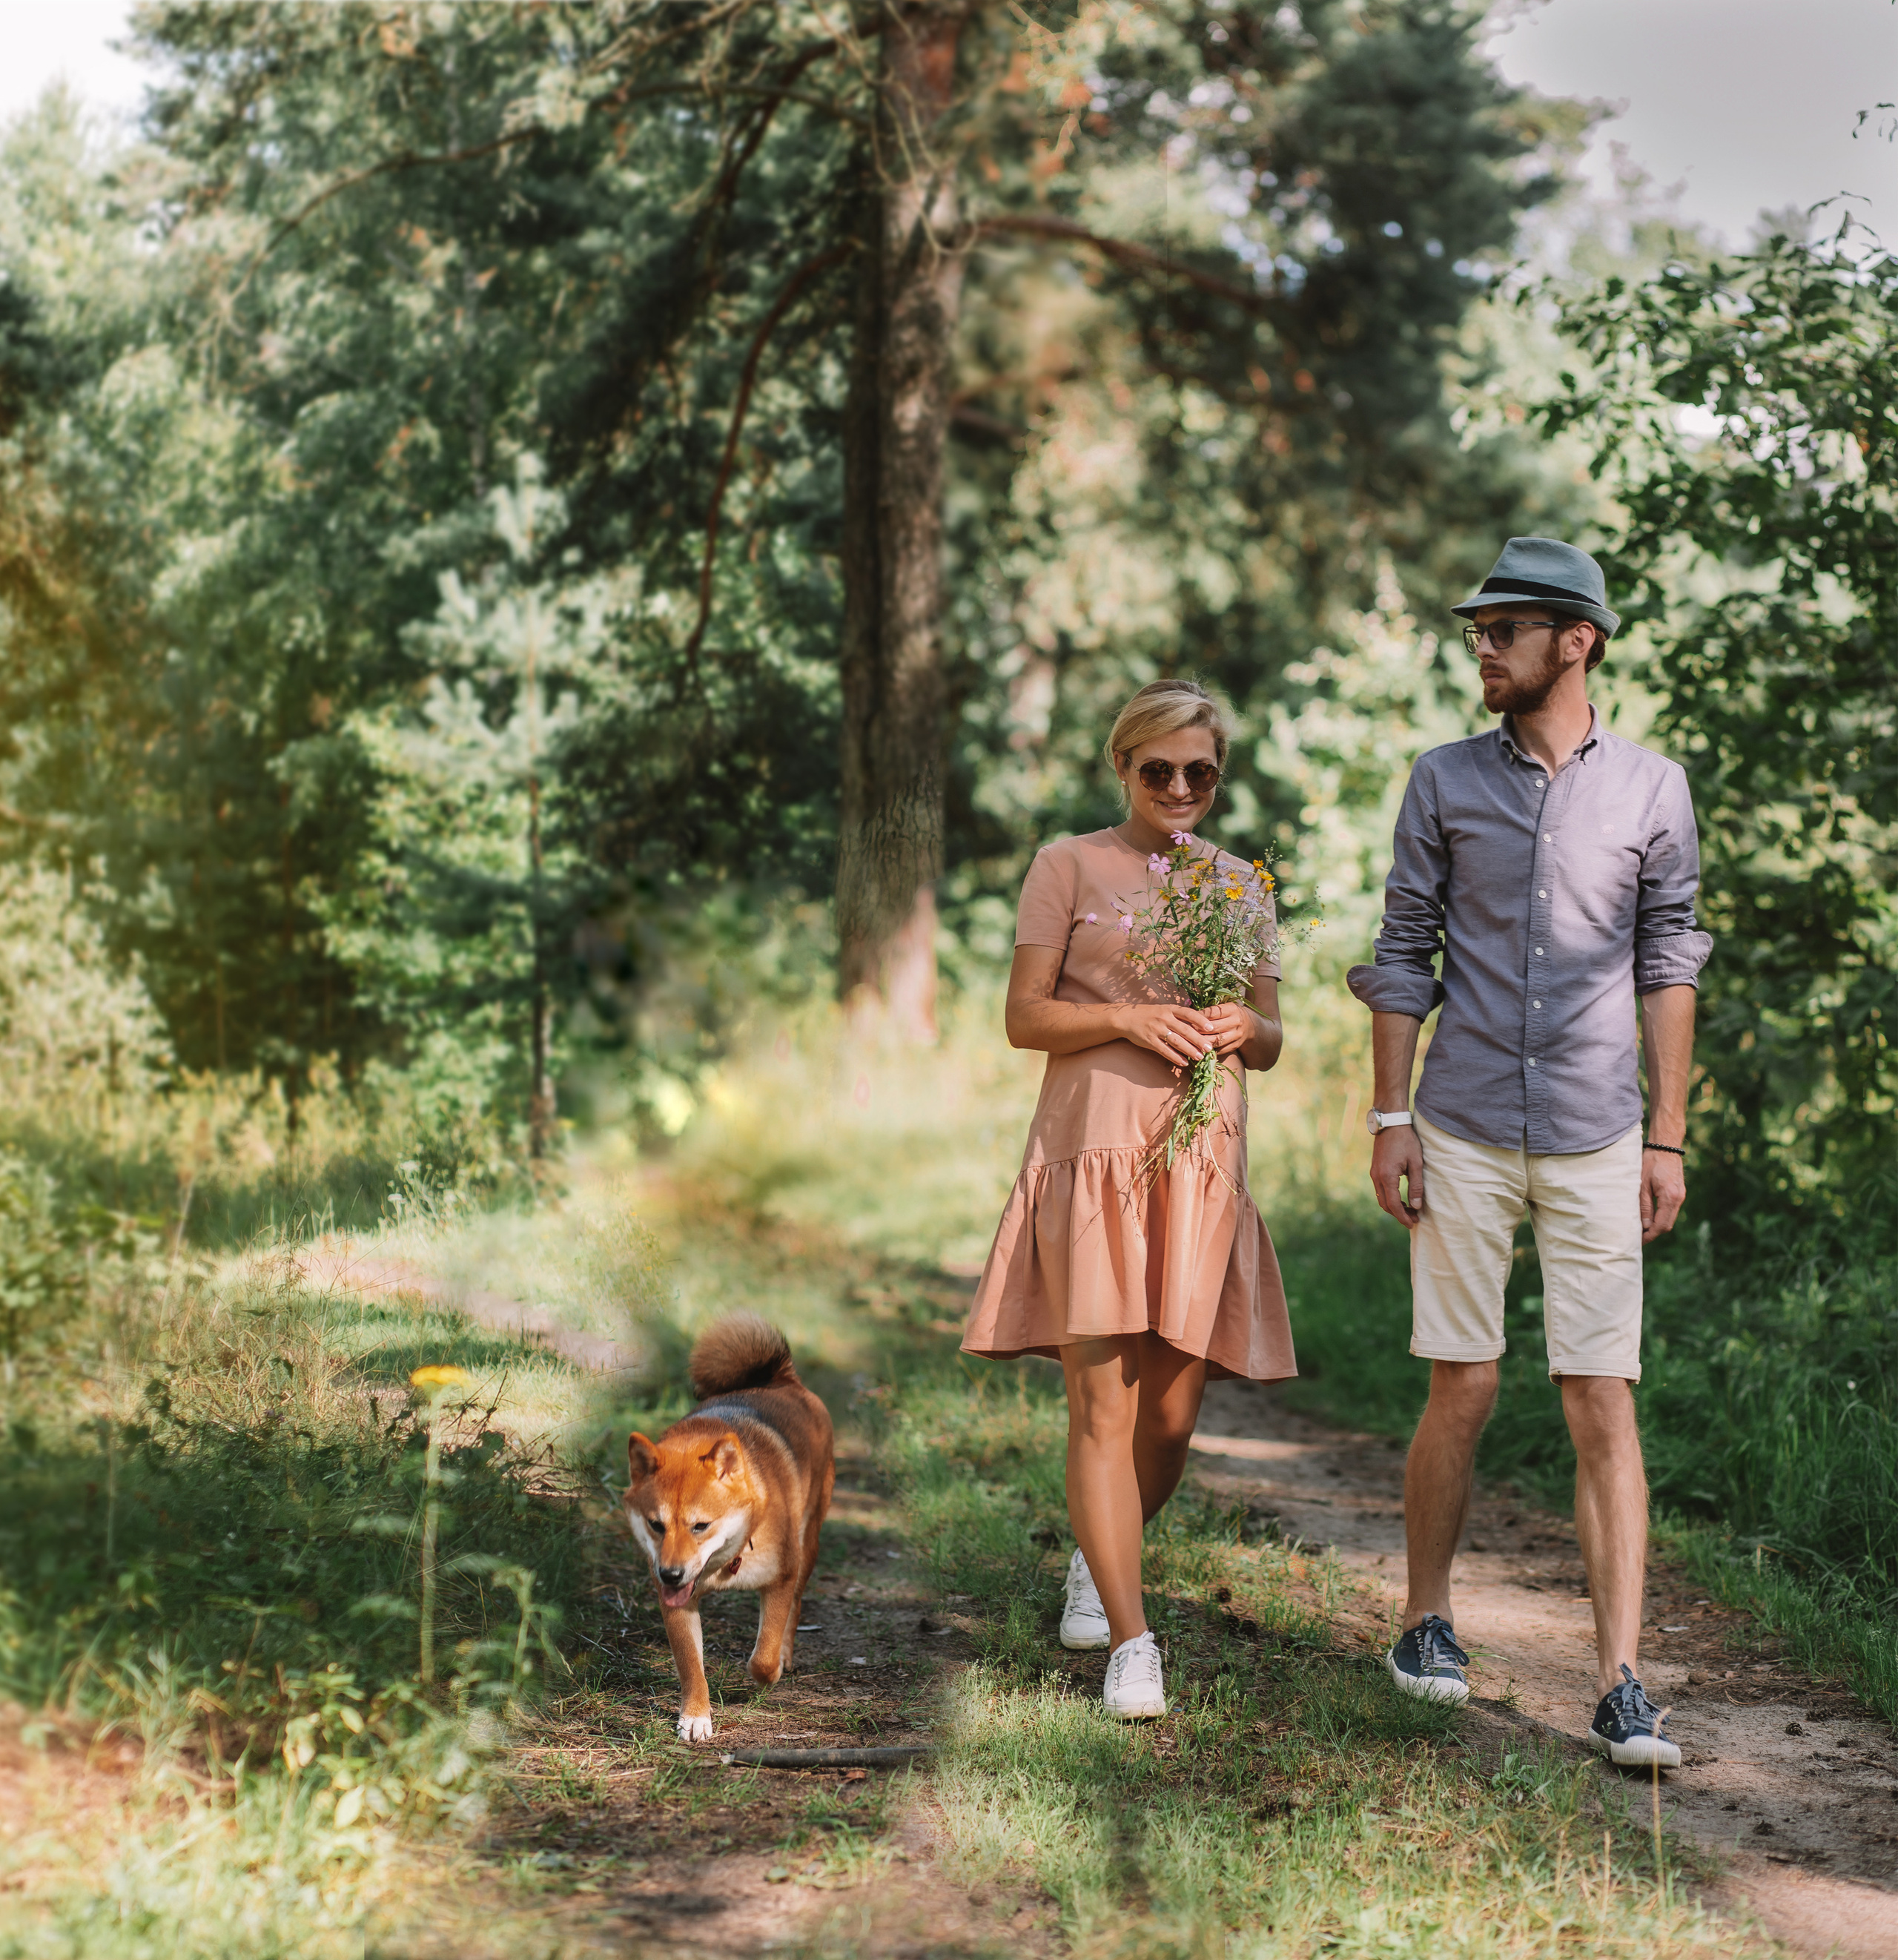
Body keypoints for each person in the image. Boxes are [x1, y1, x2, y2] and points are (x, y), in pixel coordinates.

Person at [1348, 537, 1710, 1769]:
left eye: (1504, 630)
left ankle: (1620, 1682)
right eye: (1477, 632)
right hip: (1457, 1122)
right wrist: (1390, 1116)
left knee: (1601, 1395)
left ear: (1578, 640)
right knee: (1466, 1380)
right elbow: (1405, 952)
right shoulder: (1445, 780)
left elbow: (1671, 963)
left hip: (1602, 1130)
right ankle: (1425, 1624)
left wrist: (1668, 1136)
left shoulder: (1654, 790)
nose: (1483, 650)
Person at [962, 678, 1297, 1720]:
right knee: (1101, 1404)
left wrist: (1245, 1030)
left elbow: (1274, 1035)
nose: (1181, 787)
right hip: (1095, 1151)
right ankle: (1133, 1637)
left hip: (1201, 1161)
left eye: (1201, 771)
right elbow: (1024, 1016)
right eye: (1159, 770)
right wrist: (1127, 1021)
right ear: (1123, 767)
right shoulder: (1067, 863)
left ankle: (1095, 1552)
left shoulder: (1241, 885)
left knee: (1174, 1413)